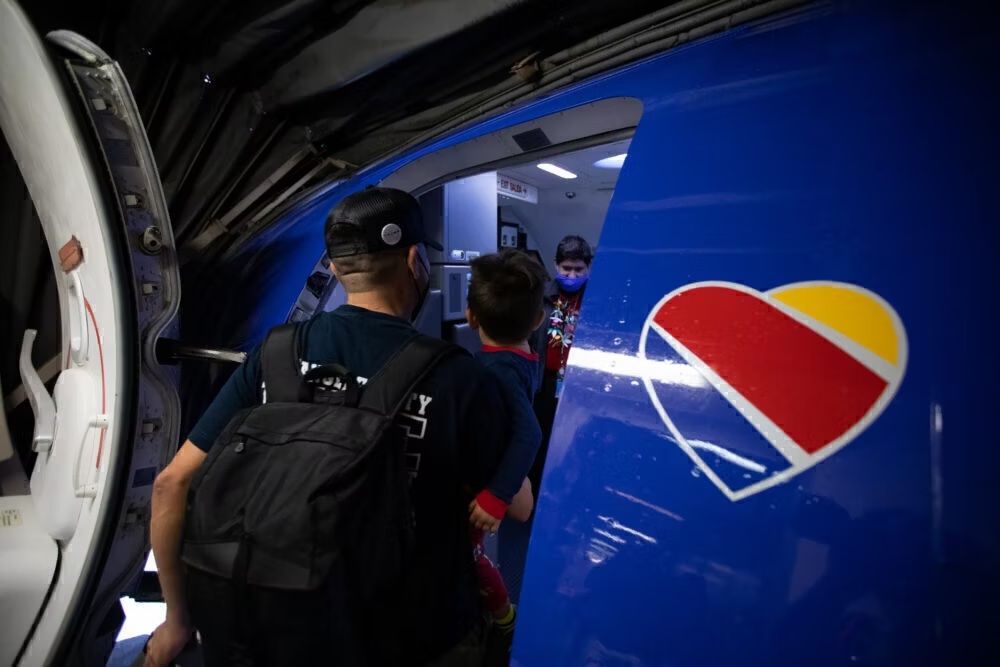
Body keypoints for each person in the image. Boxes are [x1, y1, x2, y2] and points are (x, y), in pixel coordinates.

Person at [145, 187, 510, 667]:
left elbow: (171, 483)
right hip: (416, 636)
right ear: (416, 261)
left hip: (280, 627)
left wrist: (177, 620)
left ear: (335, 268)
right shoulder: (460, 376)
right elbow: (514, 499)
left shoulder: (274, 355)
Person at [464, 249, 548, 653]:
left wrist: (497, 494)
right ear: (537, 320)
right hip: (507, 471)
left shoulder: (490, 369)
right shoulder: (525, 358)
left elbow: (528, 433)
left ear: (470, 316)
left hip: (490, 485)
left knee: (471, 554)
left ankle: (504, 618)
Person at [531, 234, 593, 486]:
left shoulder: (595, 299)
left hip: (578, 385)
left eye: (579, 269)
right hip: (545, 382)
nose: (572, 275)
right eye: (566, 268)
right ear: (556, 265)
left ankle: (569, 485)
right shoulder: (542, 297)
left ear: (589, 267)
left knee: (575, 440)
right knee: (542, 438)